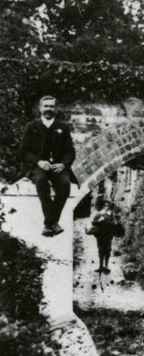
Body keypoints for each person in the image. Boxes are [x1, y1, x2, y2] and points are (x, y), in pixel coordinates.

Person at [19, 95, 77, 237]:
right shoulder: (31, 126)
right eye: (46, 106)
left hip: (57, 166)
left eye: (51, 106)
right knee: (42, 182)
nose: (48, 109)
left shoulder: (62, 127)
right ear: (40, 108)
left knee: (64, 184)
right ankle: (52, 223)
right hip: (37, 166)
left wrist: (63, 164)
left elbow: (70, 151)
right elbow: (23, 151)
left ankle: (49, 223)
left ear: (55, 109)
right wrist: (38, 161)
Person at [87, 199, 117, 274]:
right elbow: (93, 223)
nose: (106, 207)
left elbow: (114, 224)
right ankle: (100, 266)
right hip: (100, 235)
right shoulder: (98, 214)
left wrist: (108, 222)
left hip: (108, 235)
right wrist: (99, 221)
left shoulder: (111, 215)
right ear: (103, 206)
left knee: (107, 251)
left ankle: (106, 266)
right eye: (105, 205)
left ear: (109, 207)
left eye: (108, 206)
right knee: (101, 251)